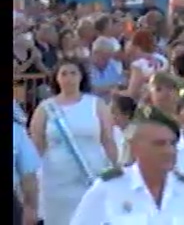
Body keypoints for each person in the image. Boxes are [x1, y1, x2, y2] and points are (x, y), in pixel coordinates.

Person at [70, 106, 184, 224]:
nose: (169, 151)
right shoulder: (108, 188)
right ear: (135, 148)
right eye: (159, 144)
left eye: (172, 144)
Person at [29, 58, 119, 225]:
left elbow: (108, 139)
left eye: (73, 73)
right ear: (57, 78)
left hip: (90, 174)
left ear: (81, 77)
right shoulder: (45, 108)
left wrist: (115, 167)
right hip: (56, 178)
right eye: (64, 74)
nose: (69, 78)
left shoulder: (96, 104)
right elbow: (37, 143)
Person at [13, 114, 41, 225]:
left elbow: (29, 177)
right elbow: (29, 176)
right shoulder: (16, 130)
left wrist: (31, 208)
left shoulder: (16, 130)